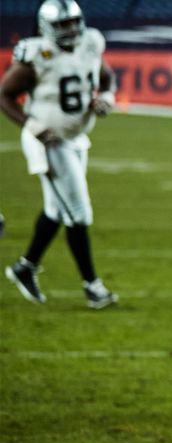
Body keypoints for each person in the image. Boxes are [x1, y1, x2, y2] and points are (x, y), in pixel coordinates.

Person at [1, 0, 118, 309]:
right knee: (78, 213)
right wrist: (32, 125)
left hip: (76, 138)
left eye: (73, 22)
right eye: (63, 24)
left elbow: (106, 77)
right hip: (49, 142)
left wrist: (105, 97)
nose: (71, 29)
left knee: (56, 210)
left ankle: (25, 267)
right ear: (46, 26)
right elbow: (5, 95)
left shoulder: (90, 43)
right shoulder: (37, 54)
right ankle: (93, 286)